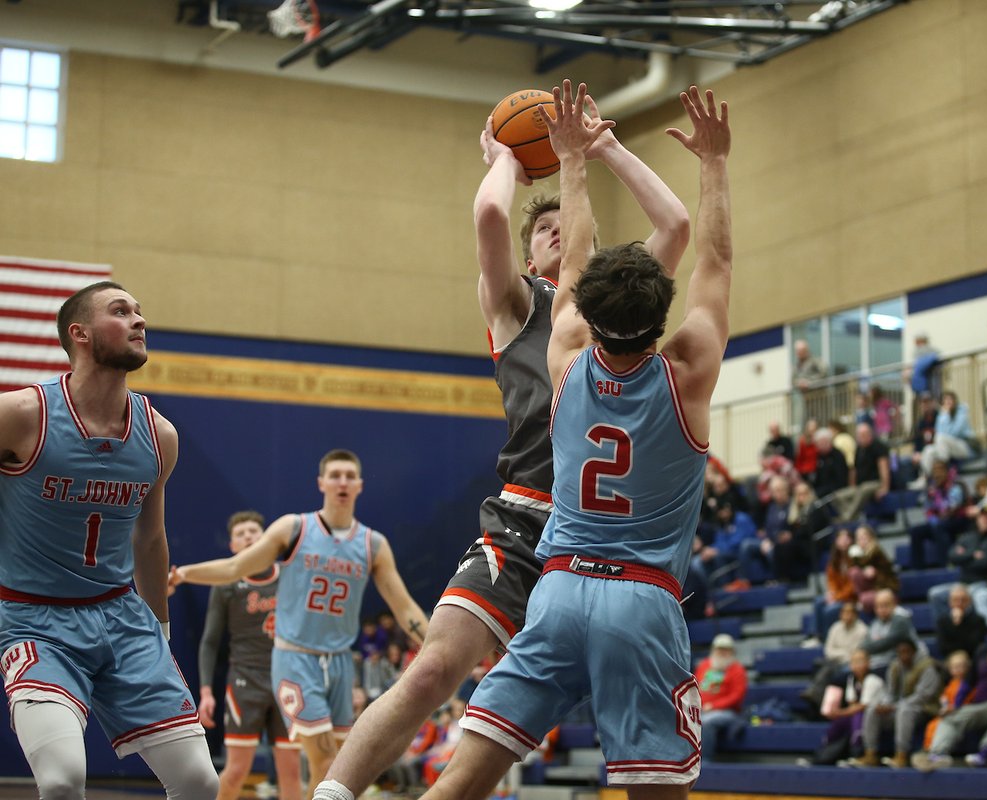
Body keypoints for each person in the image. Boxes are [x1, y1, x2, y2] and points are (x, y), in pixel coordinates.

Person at [309, 81, 692, 800]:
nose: (554, 231)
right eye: (541, 228)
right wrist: (504, 154)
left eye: (564, 225)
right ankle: (332, 795)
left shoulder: (613, 304)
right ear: (528, 254)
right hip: (526, 517)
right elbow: (490, 209)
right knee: (431, 669)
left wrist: (602, 147)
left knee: (506, 755)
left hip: (607, 544)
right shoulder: (519, 303)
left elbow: (673, 227)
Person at [0, 282, 218, 798]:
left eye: (140, 312)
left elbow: (150, 540)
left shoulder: (158, 434)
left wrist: (160, 630)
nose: (140, 320)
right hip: (34, 617)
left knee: (199, 782)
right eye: (121, 311)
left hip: (122, 618)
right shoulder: (21, 414)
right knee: (62, 780)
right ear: (79, 333)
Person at [170, 449, 430, 797]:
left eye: (349, 476)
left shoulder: (373, 545)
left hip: (339, 663)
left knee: (335, 766)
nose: (342, 482)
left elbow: (405, 608)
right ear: (320, 482)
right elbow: (236, 567)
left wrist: (438, 646)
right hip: (294, 658)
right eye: (335, 475)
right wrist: (184, 573)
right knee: (322, 762)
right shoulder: (294, 529)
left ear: (360, 486)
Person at [195, 511, 302, 800]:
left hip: (287, 681)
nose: (248, 536)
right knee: (237, 770)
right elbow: (210, 641)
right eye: (240, 534)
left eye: (254, 530)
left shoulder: (289, 574)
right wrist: (206, 692)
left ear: (266, 537)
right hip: (245, 682)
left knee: (292, 772)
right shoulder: (226, 585)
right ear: (232, 546)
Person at [914, 634, 987, 771]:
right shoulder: (983, 652)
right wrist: (956, 705)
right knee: (949, 716)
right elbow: (968, 683)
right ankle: (938, 754)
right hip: (980, 707)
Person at [851, 639, 942, 769]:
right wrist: (885, 704)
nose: (904, 656)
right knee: (872, 709)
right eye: (900, 653)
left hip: (925, 709)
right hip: (900, 708)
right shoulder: (895, 666)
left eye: (907, 652)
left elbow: (922, 696)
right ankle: (870, 754)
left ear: (914, 652)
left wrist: (894, 706)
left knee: (904, 710)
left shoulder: (927, 667)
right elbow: (890, 693)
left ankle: (901, 755)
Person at [809, 649, 883, 766]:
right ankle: (822, 754)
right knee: (839, 722)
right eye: (854, 662)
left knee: (857, 718)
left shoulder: (872, 679)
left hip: (878, 715)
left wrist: (840, 712)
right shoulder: (851, 679)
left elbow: (862, 706)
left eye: (860, 661)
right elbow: (852, 703)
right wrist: (839, 714)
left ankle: (857, 754)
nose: (857, 665)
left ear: (869, 663)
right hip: (860, 713)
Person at [908, 459, 968, 570]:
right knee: (916, 531)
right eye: (935, 471)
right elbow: (929, 509)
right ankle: (917, 568)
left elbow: (953, 508)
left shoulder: (957, 484)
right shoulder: (931, 488)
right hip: (939, 521)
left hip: (958, 519)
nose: (937, 474)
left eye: (940, 470)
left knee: (939, 526)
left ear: (947, 471)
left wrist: (938, 518)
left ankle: (946, 565)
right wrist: (932, 518)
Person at [695, 634, 748, 759]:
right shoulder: (704, 666)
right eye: (719, 649)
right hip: (701, 709)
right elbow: (695, 687)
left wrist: (713, 706)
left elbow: (737, 696)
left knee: (706, 722)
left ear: (732, 651)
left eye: (726, 649)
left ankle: (705, 762)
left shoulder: (737, 669)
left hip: (728, 712)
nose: (722, 652)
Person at [832, 421, 890, 523]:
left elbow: (884, 468)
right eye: (859, 435)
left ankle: (847, 518)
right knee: (837, 496)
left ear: (870, 434)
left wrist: (884, 487)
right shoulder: (858, 448)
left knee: (864, 489)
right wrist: (852, 485)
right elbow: (853, 469)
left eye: (863, 435)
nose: (861, 437)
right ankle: (853, 516)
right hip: (861, 485)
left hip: (875, 482)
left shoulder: (878, 447)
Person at [919, 391, 974, 478]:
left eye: (950, 400)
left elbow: (954, 432)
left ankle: (943, 472)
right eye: (945, 400)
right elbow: (938, 432)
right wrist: (944, 415)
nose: (948, 402)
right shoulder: (942, 415)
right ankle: (925, 478)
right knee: (928, 450)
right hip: (946, 447)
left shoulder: (961, 413)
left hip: (964, 446)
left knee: (941, 438)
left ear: (954, 401)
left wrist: (946, 415)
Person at [847, 524, 898, 615]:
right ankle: (862, 601)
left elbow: (886, 577)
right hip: (870, 590)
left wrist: (876, 573)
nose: (861, 540)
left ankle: (863, 602)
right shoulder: (858, 554)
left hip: (884, 589)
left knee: (864, 599)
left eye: (864, 537)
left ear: (871, 537)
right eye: (859, 538)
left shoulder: (876, 551)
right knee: (854, 572)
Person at [936, 584, 987, 661]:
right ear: (950, 602)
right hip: (950, 661)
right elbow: (943, 648)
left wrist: (959, 624)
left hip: (972, 660)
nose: (959, 603)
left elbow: (974, 646)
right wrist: (955, 623)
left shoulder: (979, 620)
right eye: (956, 600)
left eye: (963, 600)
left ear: (969, 601)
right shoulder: (942, 621)